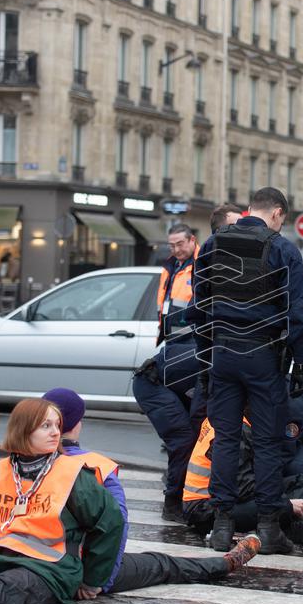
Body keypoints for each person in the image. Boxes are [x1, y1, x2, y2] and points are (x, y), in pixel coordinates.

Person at [0, 399, 260, 604]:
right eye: (46, 426)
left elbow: (111, 524)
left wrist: (96, 579)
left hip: (49, 571)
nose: (56, 432)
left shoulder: (74, 473)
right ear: (22, 432)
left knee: (6, 589)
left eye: (57, 425)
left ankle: (226, 563)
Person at [42, 388, 260, 595]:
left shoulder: (18, 462)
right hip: (81, 566)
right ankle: (223, 564)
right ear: (78, 423)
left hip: (35, 562)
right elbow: (117, 526)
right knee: (162, 565)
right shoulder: (96, 466)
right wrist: (98, 582)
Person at [192, 187, 303, 555]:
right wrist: (299, 363)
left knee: (225, 439)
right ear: (277, 213)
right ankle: (269, 527)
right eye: (282, 219)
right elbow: (297, 313)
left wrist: (205, 357)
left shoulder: (213, 244)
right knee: (266, 441)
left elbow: (199, 305)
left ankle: (223, 526)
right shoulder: (282, 248)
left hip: (223, 351)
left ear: (248, 210)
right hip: (263, 354)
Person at [183, 393, 303, 545]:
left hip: (223, 501)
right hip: (205, 510)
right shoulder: (236, 430)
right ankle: (285, 528)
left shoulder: (233, 419)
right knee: (272, 505)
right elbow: (243, 489)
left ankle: (296, 526)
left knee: (300, 482)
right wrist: (287, 505)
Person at [133, 222, 203, 522]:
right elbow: (167, 308)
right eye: (171, 245)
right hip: (173, 350)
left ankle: (182, 490)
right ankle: (174, 501)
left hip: (187, 344)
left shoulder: (201, 267)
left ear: (192, 240)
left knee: (188, 437)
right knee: (184, 439)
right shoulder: (171, 267)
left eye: (179, 244)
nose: (174, 250)